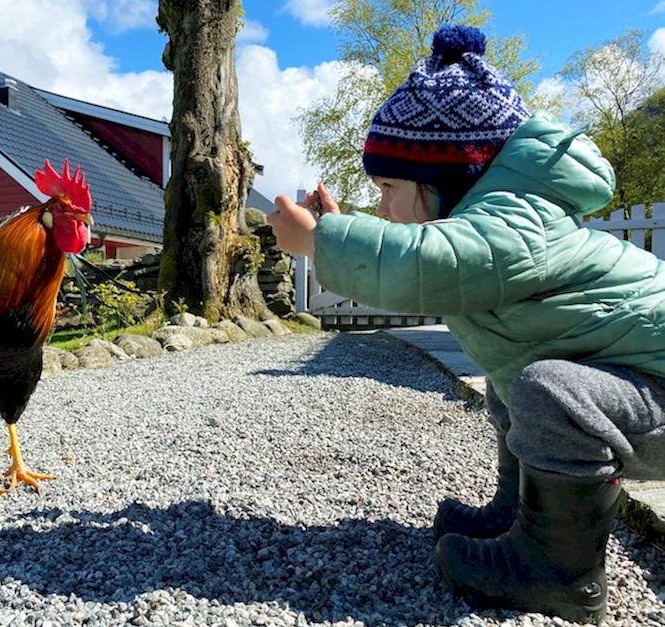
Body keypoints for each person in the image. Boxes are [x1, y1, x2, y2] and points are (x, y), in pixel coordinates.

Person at [269, 24, 665, 624]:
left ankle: (560, 572)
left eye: (389, 188)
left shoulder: (512, 224)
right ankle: (524, 516)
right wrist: (349, 228)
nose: (382, 207)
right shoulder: (500, 212)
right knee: (519, 378)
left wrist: (322, 240)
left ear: (448, 182)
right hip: (646, 388)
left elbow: (426, 264)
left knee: (549, 390)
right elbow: (434, 249)